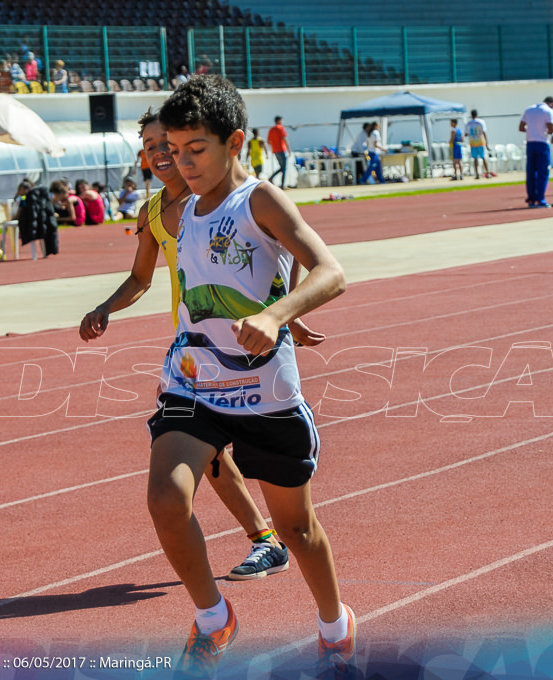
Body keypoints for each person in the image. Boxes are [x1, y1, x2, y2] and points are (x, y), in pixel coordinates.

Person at [149, 74, 352, 680]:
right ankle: (215, 620)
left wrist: (280, 313)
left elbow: (330, 270)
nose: (181, 163)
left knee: (295, 529)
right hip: (194, 380)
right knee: (166, 497)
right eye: (173, 151)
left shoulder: (260, 199)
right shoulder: (179, 209)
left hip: (263, 388)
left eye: (196, 150)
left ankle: (334, 628)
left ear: (234, 141)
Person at [80, 106, 324, 588]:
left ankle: (276, 539)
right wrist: (105, 307)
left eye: (167, 145)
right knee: (208, 458)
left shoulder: (227, 197)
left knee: (237, 459)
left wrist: (287, 314)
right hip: (190, 352)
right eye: (151, 148)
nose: (161, 154)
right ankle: (263, 539)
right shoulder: (156, 212)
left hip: (249, 351)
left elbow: (289, 251)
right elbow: (140, 277)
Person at [519, 95, 553, 208]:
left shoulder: (529, 109)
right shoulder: (548, 111)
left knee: (531, 172)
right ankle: (540, 198)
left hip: (530, 143)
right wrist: (541, 130)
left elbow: (521, 127)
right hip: (542, 143)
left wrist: (531, 130)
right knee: (543, 172)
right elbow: (551, 129)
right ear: (551, 104)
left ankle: (531, 198)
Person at [465, 110, 492, 179]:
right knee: (483, 158)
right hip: (480, 142)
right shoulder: (481, 122)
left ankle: (477, 174)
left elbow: (466, 134)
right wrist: (486, 143)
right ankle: (487, 173)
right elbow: (484, 132)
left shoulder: (468, 123)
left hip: (473, 143)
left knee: (475, 159)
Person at [267, 115, 291, 189]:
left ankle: (272, 178)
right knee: (284, 168)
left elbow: (268, 141)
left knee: (282, 167)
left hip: (275, 151)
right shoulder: (280, 128)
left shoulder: (271, 130)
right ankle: (282, 185)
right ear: (278, 121)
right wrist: (289, 149)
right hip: (282, 150)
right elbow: (285, 139)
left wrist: (274, 145)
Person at [360, 120, 386, 184]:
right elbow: (375, 144)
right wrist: (383, 149)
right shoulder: (376, 133)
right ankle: (363, 179)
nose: (379, 126)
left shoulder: (370, 132)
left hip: (370, 151)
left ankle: (381, 180)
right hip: (374, 152)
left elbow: (368, 143)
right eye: (378, 125)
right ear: (375, 126)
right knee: (372, 166)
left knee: (377, 166)